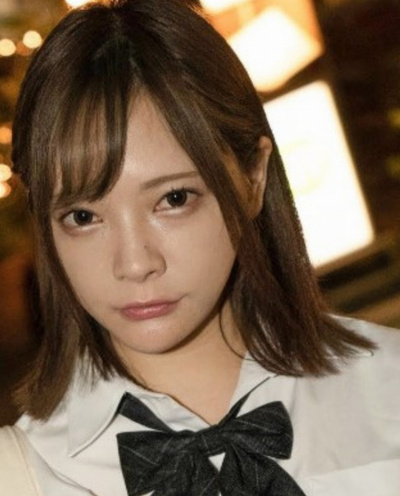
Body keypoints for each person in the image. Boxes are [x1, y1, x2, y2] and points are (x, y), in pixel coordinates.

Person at [6, 0, 400, 494]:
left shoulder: (388, 391)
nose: (135, 264)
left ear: (253, 177)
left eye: (174, 199)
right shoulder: (27, 475)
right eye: (83, 217)